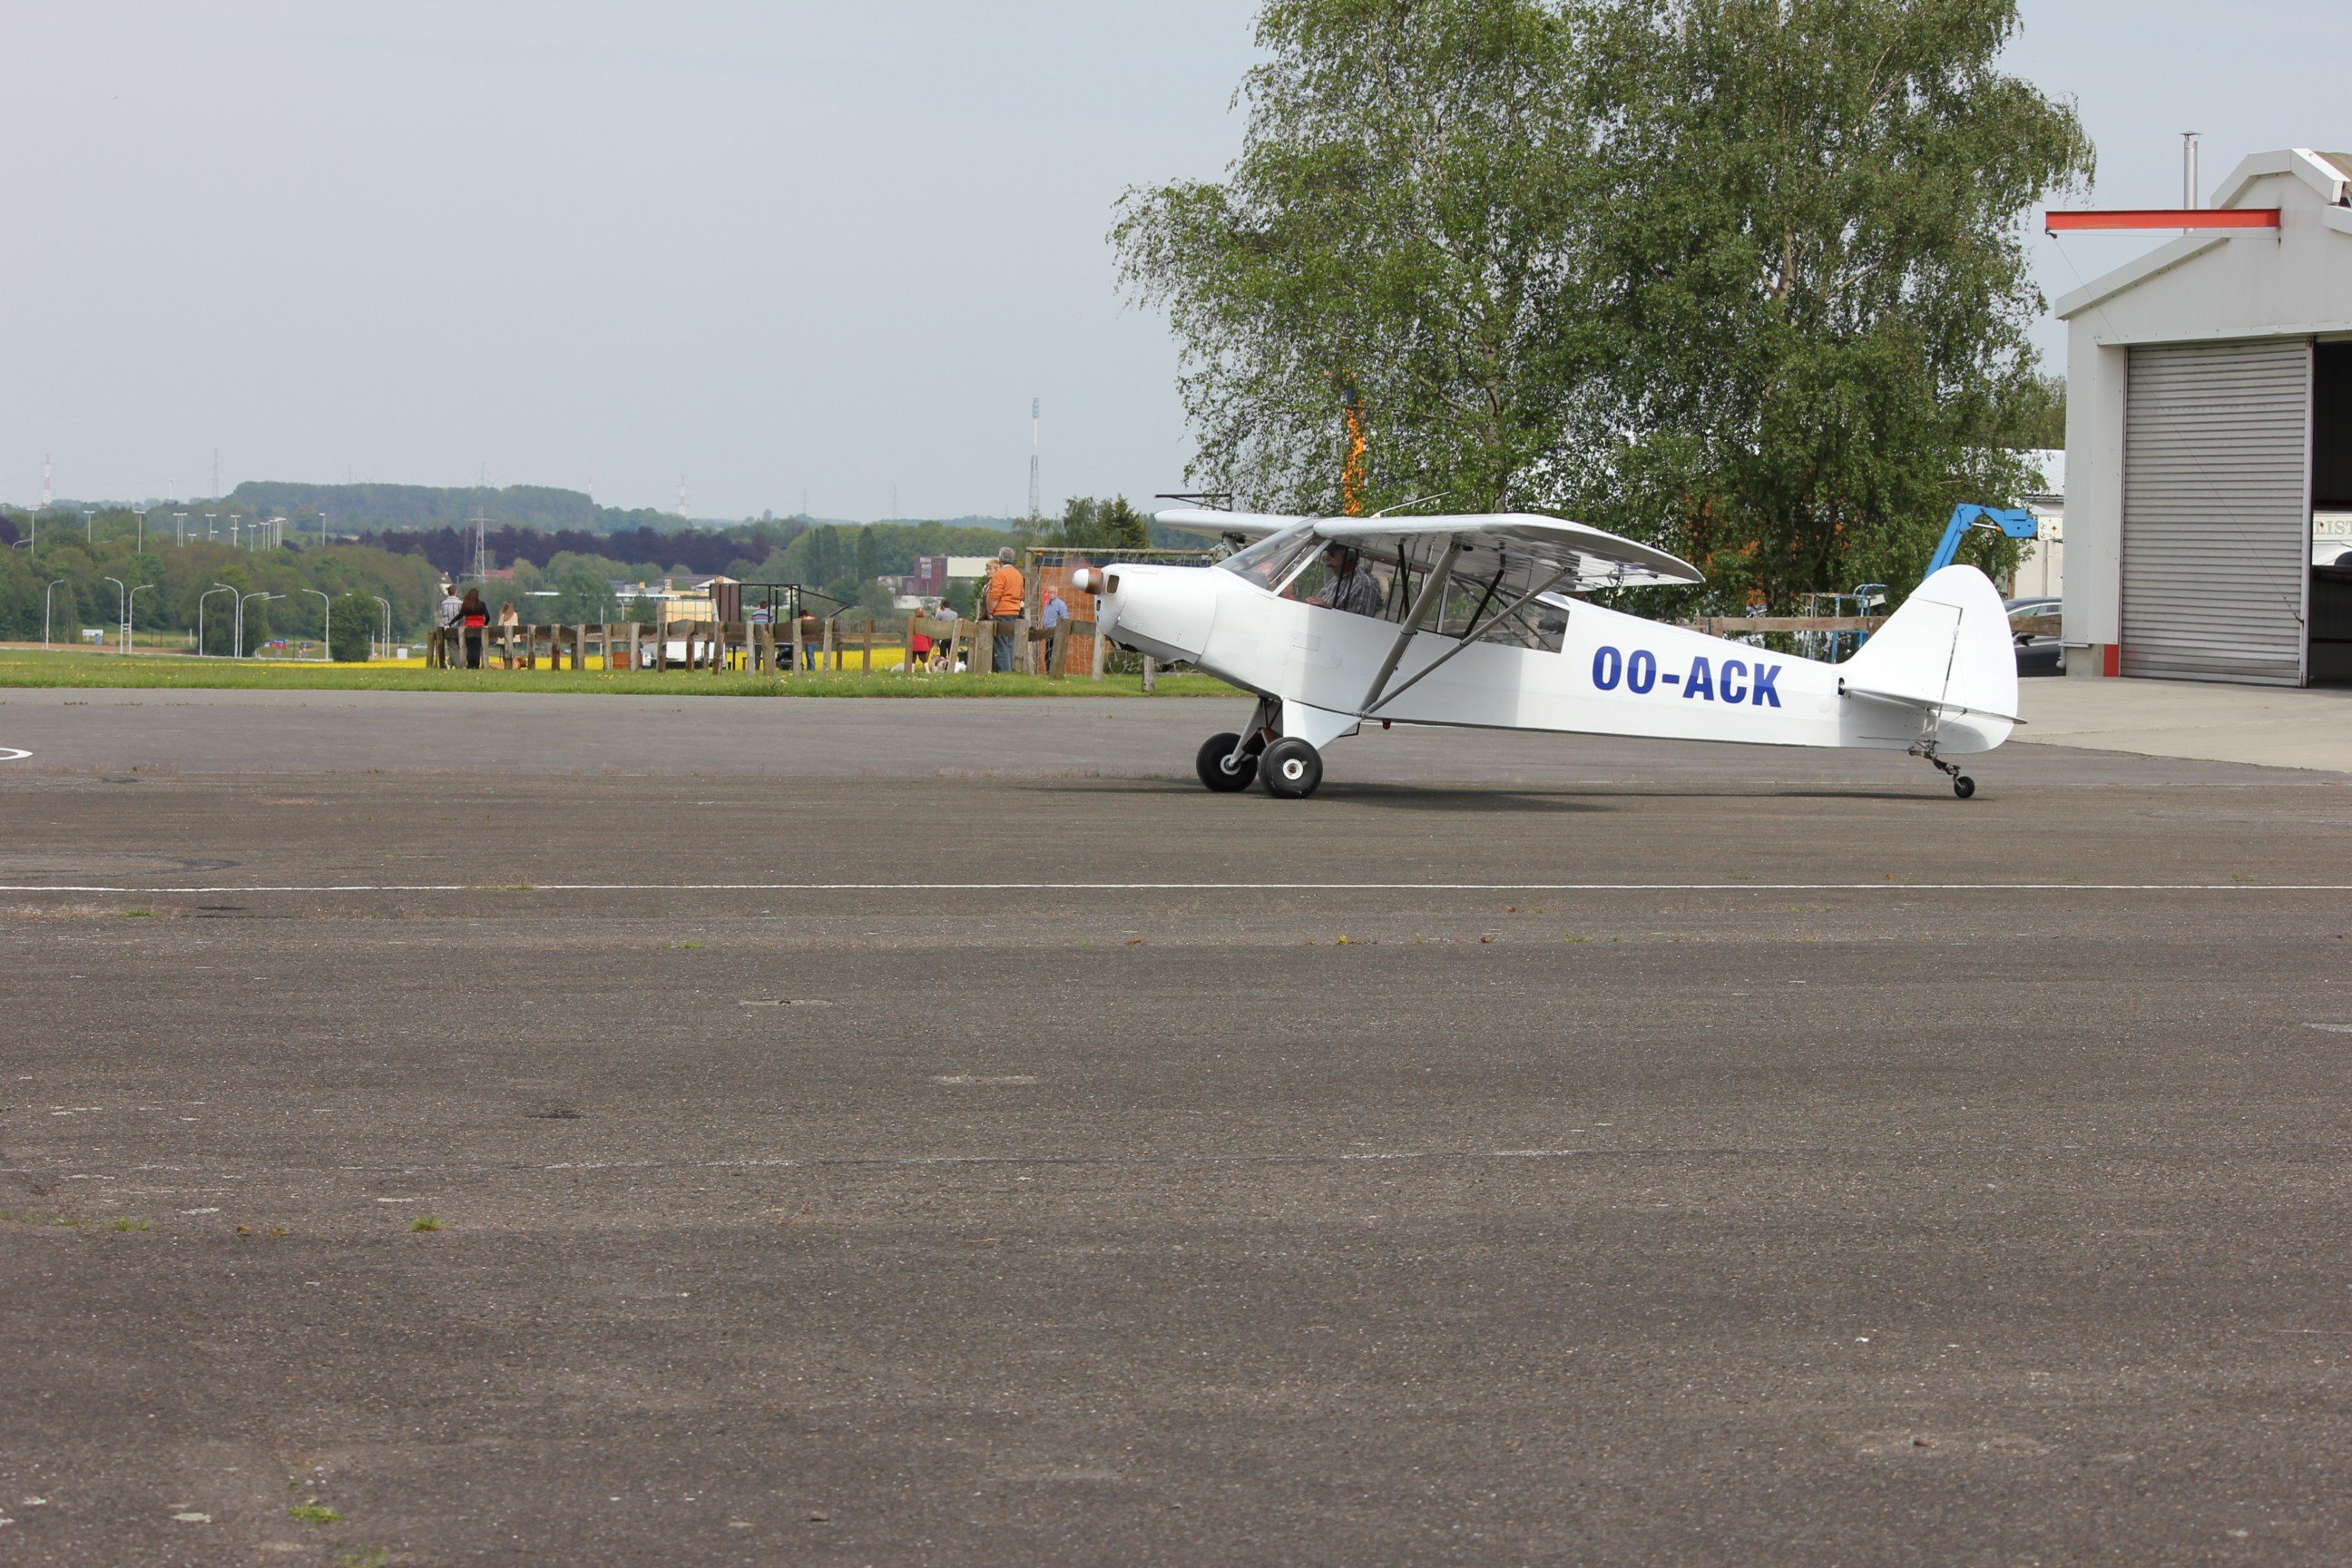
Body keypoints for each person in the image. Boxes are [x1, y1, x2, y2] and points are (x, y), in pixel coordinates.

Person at [1307, 542, 1383, 618]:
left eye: (1332, 554)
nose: (1327, 558)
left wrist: (1327, 609)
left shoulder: (1364, 586)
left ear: (1349, 556)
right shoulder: (1336, 579)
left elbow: (1358, 625)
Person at [984, 547, 1024, 673]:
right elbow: (1021, 594)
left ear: (1000, 560)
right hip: (1014, 612)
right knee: (1010, 644)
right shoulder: (1018, 574)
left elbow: (995, 595)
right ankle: (1011, 674)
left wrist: (990, 611)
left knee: (1001, 646)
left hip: (1001, 612)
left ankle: (1005, 674)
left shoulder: (1000, 574)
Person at [1039, 585, 1070, 675]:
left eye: (1053, 592)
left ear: (1057, 593)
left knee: (1054, 652)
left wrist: (1062, 632)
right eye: (1050, 592)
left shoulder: (1061, 604)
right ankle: (1048, 672)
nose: (1051, 594)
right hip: (1047, 633)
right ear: (1047, 593)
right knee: (1047, 653)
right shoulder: (1047, 604)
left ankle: (1055, 672)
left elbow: (1065, 618)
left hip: (1056, 633)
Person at [459, 587, 489, 670]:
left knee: (469, 647)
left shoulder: (466, 605)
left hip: (469, 627)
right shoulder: (482, 604)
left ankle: (470, 665)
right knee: (477, 647)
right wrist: (484, 624)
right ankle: (476, 664)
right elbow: (488, 616)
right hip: (479, 628)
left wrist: (451, 623)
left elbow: (460, 615)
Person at [435, 581, 463, 667]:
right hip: (458, 628)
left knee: (453, 648)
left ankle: (448, 663)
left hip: (447, 628)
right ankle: (459, 667)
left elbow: (443, 614)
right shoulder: (460, 603)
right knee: (458, 648)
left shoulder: (443, 603)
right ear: (455, 592)